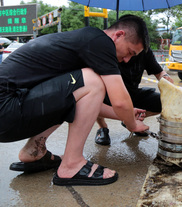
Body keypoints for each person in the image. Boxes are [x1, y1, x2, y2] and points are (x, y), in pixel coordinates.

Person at [0, 15, 150, 186]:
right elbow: (120, 101)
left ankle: (34, 151)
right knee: (93, 80)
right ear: (118, 35)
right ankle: (72, 165)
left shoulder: (85, 41)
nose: (127, 60)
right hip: (6, 107)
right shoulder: (100, 41)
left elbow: (85, 101)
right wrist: (132, 124)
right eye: (130, 52)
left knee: (85, 84)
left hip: (8, 110)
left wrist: (127, 114)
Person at [95, 48, 173, 145]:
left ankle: (132, 121)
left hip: (132, 93)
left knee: (166, 102)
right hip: (108, 94)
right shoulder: (106, 49)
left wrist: (165, 77)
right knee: (94, 99)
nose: (127, 59)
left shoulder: (144, 51)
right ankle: (102, 127)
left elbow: (159, 72)